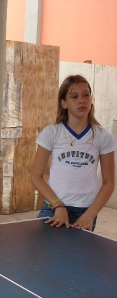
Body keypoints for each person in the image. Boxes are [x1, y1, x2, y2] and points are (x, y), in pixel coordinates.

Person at [31, 75, 117, 231]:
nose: (82, 100)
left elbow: (109, 182)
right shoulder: (52, 133)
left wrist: (91, 214)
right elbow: (36, 177)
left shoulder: (103, 136)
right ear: (64, 103)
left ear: (92, 100)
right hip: (54, 208)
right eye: (74, 96)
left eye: (86, 95)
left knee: (78, 255)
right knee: (43, 254)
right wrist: (58, 205)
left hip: (85, 212)